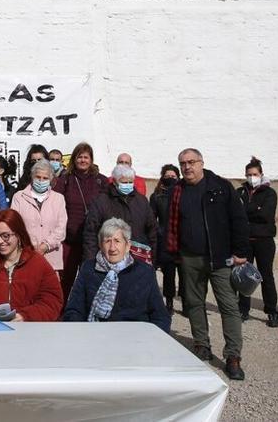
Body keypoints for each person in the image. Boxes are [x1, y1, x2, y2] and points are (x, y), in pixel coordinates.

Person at [168, 148, 250, 381]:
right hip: (190, 257)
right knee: (194, 303)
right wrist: (173, 253)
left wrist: (241, 251)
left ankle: (233, 356)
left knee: (228, 306)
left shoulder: (221, 187)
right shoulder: (177, 191)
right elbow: (170, 224)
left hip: (220, 257)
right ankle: (201, 345)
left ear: (202, 163)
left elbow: (238, 219)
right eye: (182, 163)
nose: (187, 167)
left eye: (191, 162)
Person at [62, 218, 170, 333]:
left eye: (117, 241)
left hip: (134, 338)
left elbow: (161, 317)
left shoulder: (144, 272)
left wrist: (151, 341)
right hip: (95, 336)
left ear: (127, 245)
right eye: (107, 241)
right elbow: (74, 310)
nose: (112, 248)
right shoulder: (88, 269)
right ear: (100, 245)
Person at [0, 209, 63, 321]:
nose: (0, 241)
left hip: (29, 331)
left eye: (6, 236)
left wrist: (25, 316)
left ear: (18, 235)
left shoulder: (38, 263)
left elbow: (52, 300)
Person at [51, 142, 109, 299]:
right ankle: (60, 311)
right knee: (65, 279)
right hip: (69, 240)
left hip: (92, 241)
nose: (83, 160)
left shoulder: (101, 181)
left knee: (90, 278)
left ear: (91, 159)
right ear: (74, 159)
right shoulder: (65, 180)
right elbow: (54, 204)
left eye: (86, 157)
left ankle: (85, 311)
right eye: (79, 157)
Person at [83, 164, 158, 263]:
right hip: (109, 258)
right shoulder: (101, 201)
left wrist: (154, 257)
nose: (127, 185)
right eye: (124, 182)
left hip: (137, 259)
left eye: (130, 182)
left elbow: (152, 230)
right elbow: (91, 233)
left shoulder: (141, 201)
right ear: (114, 181)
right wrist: (91, 260)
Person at [237, 156, 278, 327]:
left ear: (261, 174)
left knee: (266, 276)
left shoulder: (270, 193)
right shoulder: (239, 192)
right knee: (243, 276)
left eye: (254, 174)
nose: (251, 177)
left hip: (264, 241)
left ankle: (271, 311)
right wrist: (254, 210)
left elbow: (265, 215)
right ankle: (243, 309)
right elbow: (235, 213)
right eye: (248, 174)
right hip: (245, 240)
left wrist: (246, 210)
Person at [9, 159, 68, 277]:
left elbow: (61, 228)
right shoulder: (19, 197)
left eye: (45, 178)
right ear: (32, 177)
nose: (41, 181)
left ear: (51, 179)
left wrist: (45, 246)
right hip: (25, 256)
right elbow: (14, 225)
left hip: (51, 259)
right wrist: (29, 247)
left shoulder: (58, 198)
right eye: (38, 177)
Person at [150, 163, 184, 312]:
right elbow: (152, 218)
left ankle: (185, 301)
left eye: (173, 176)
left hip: (183, 239)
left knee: (185, 274)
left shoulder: (185, 193)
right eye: (167, 176)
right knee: (168, 274)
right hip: (165, 239)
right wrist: (159, 232)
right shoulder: (157, 195)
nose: (170, 178)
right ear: (162, 177)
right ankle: (169, 301)